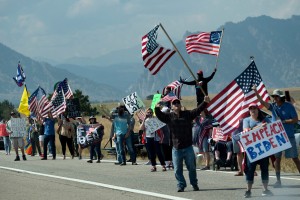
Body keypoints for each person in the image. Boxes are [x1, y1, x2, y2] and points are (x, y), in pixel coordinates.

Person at [155, 96, 210, 192]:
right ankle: (181, 185)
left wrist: (205, 102)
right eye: (174, 103)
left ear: (180, 105)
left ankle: (194, 184)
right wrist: (156, 108)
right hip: (176, 148)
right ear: (172, 106)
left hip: (188, 147)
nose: (176, 104)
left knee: (192, 168)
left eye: (178, 103)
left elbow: (197, 110)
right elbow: (160, 115)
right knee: (177, 169)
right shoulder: (169, 116)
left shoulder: (187, 114)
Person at [253, 87, 300, 188]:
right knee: (277, 159)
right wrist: (255, 91)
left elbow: (295, 119)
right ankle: (278, 181)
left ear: (281, 97)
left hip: (289, 135)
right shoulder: (273, 107)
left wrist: (283, 122)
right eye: (274, 96)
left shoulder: (289, 106)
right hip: (277, 136)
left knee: (295, 158)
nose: (275, 98)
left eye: (277, 96)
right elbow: (261, 102)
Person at [242, 103, 273, 198]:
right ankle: (248, 190)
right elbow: (246, 131)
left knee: (265, 169)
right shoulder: (246, 120)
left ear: (258, 110)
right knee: (250, 169)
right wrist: (259, 127)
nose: (253, 110)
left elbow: (272, 128)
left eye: (254, 108)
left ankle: (265, 189)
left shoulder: (265, 119)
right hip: (252, 150)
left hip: (264, 149)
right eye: (251, 109)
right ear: (249, 111)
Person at [140, 108, 166, 172]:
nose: (149, 114)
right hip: (148, 137)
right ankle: (153, 166)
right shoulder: (145, 120)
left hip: (155, 137)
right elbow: (141, 128)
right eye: (148, 112)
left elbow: (160, 126)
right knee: (151, 153)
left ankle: (163, 165)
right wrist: (144, 120)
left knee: (159, 152)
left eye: (150, 112)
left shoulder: (155, 119)